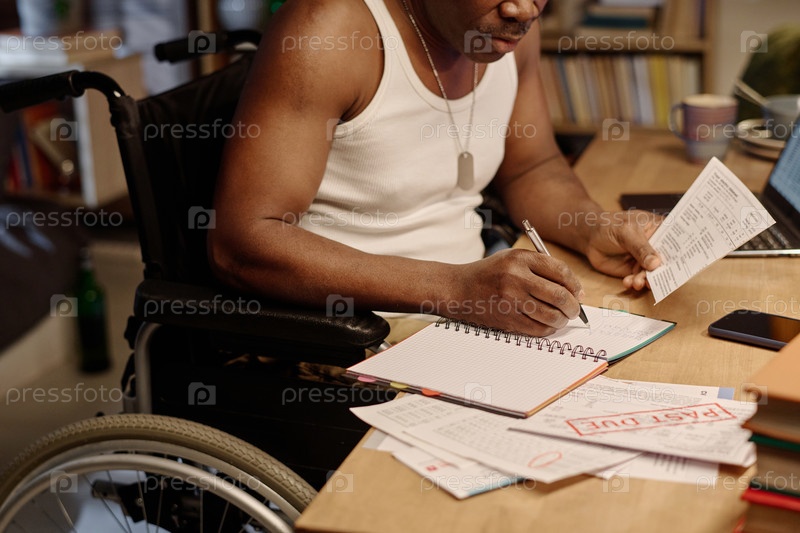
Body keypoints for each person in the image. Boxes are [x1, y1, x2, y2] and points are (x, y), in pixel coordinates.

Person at [208, 0, 662, 339]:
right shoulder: (329, 28)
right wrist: (454, 288)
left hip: (472, 314)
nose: (524, 9)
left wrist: (591, 227)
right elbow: (241, 243)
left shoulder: (510, 31)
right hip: (344, 336)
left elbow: (532, 167)